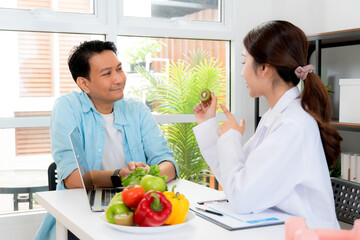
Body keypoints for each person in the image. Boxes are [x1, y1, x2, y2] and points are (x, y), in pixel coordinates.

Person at [193, 20, 342, 229]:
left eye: (244, 62)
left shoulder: (293, 124)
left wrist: (230, 138)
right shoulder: (278, 116)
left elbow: (242, 197)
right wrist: (209, 125)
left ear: (264, 68)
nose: (243, 72)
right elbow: (234, 180)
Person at [35, 40, 178, 239]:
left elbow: (168, 163)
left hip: (138, 207)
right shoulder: (67, 107)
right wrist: (121, 175)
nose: (118, 79)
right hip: (80, 212)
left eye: (119, 69)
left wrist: (148, 176)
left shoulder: (138, 111)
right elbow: (72, 177)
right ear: (84, 83)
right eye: (107, 73)